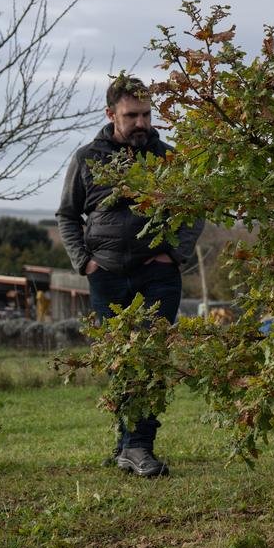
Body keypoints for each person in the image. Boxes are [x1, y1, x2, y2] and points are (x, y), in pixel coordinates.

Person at [57, 74, 204, 477]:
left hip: (157, 274)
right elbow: (68, 216)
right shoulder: (87, 158)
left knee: (149, 358)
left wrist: (174, 255)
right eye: (132, 115)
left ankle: (139, 446)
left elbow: (193, 209)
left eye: (146, 114)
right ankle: (126, 444)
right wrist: (84, 262)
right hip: (105, 275)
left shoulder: (169, 159)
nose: (142, 123)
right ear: (111, 114)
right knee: (121, 361)